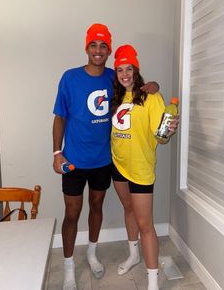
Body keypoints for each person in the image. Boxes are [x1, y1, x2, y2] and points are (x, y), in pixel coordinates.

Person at [52, 23, 159, 290]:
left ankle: (92, 253)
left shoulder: (114, 78)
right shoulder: (70, 77)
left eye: (103, 46)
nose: (98, 50)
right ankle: (67, 269)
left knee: (97, 208)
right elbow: (59, 117)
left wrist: (153, 85)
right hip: (74, 161)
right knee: (72, 214)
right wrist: (56, 153)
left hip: (104, 161)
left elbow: (137, 90)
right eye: (93, 45)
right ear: (86, 47)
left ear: (108, 50)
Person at [111, 44, 178, 290]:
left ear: (136, 70)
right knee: (128, 209)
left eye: (129, 69)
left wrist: (167, 132)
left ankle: (152, 280)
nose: (125, 74)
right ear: (116, 73)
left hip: (140, 168)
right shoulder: (116, 96)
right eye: (120, 70)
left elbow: (160, 136)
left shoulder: (151, 96)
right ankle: (133, 254)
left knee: (145, 225)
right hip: (118, 165)